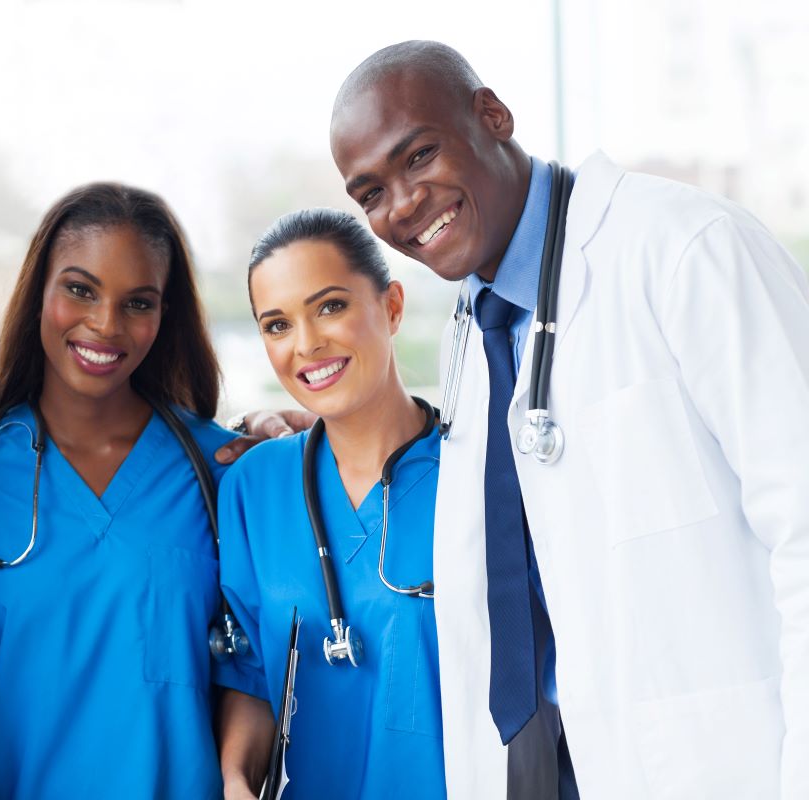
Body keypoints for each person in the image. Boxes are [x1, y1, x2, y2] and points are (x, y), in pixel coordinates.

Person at [329, 40, 809, 798]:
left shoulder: (685, 249)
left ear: (492, 115)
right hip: (552, 766)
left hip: (723, 764)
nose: (403, 204)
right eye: (370, 192)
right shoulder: (479, 325)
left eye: (418, 156)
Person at [0, 182, 256, 799]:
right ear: (39, 290)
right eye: (79, 289)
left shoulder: (222, 469)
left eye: (138, 303)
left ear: (163, 315)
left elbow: (253, 665)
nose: (105, 324)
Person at [216, 208, 446, 799]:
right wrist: (236, 778)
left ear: (392, 306)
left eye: (330, 307)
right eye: (276, 324)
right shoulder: (253, 486)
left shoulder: (479, 476)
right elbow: (250, 671)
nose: (307, 344)